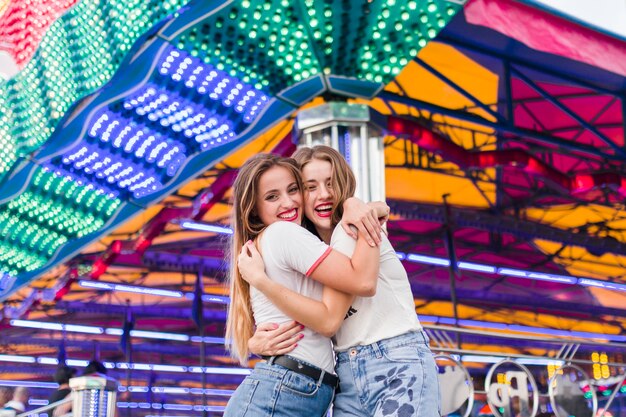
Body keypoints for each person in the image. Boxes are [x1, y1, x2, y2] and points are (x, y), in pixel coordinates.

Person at [239, 145, 440, 417]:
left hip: (396, 358)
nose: (324, 194)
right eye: (310, 187)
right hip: (347, 373)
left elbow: (363, 285)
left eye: (331, 184)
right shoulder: (312, 255)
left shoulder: (355, 227)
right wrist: (255, 344)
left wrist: (359, 205)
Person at [224, 153, 383, 417]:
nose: (288, 202)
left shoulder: (285, 241)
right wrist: (367, 210)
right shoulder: (283, 233)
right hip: (285, 388)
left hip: (290, 388)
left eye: (293, 189)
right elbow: (361, 282)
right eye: (272, 197)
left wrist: (362, 205)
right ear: (254, 208)